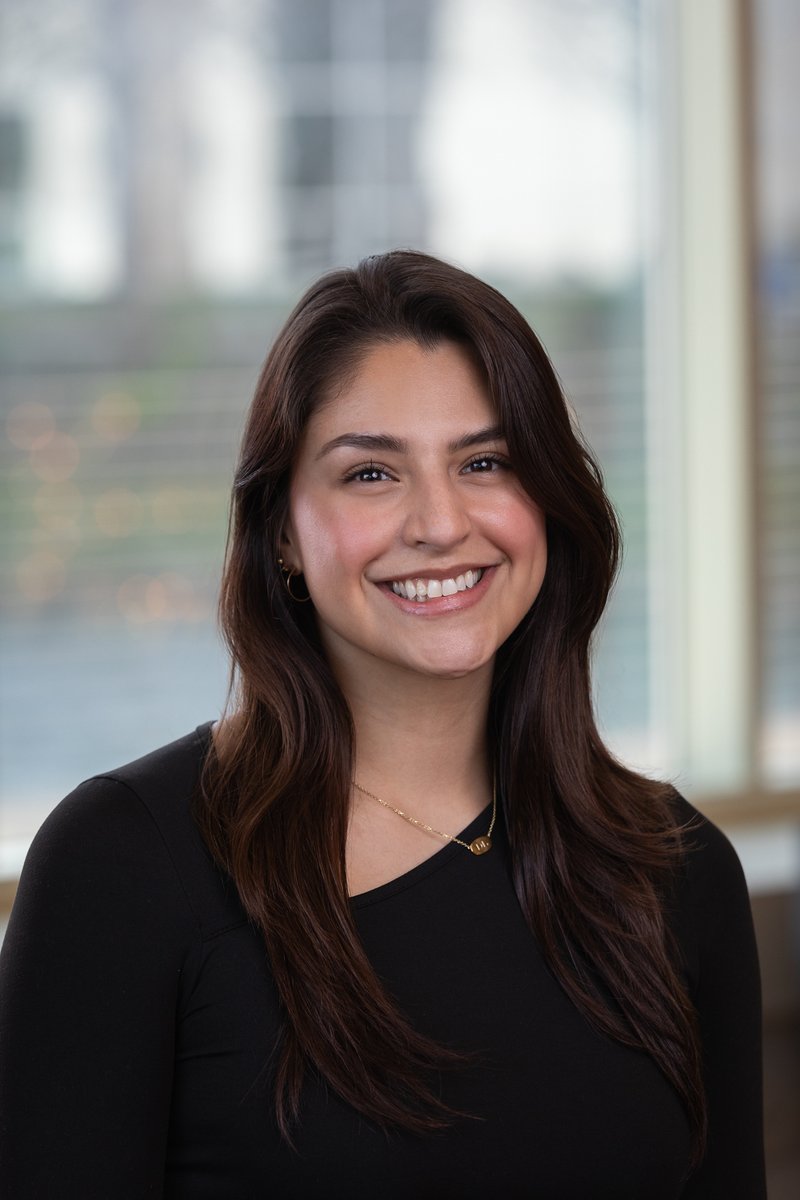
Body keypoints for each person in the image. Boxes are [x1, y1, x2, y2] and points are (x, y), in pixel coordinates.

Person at [0, 251, 765, 1198]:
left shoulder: (678, 869)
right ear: (280, 528)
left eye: (485, 462)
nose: (441, 523)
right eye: (371, 473)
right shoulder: (121, 868)